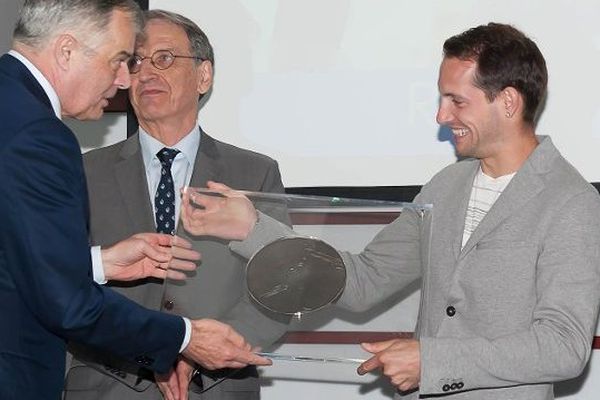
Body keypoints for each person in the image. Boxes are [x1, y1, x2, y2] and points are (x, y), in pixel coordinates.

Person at [180, 23, 600, 399]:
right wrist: (253, 229)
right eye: (441, 99)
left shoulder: (571, 202)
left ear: (508, 102)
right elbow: (364, 281)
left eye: (457, 101)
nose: (441, 115)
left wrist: (430, 361)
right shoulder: (446, 185)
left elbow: (564, 347)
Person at [0, 2, 269, 400]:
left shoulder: (13, 112)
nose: (127, 79)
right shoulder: (40, 136)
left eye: (161, 59)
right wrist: (184, 338)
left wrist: (99, 262)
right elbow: (66, 302)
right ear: (67, 51)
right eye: (123, 60)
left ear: (204, 74)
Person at [64, 9, 289, 400]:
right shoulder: (82, 172)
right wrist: (161, 348)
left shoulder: (254, 174)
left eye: (164, 59)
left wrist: (201, 351)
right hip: (109, 385)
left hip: (216, 384)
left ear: (204, 76)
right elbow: (58, 282)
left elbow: (277, 289)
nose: (146, 73)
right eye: (134, 62)